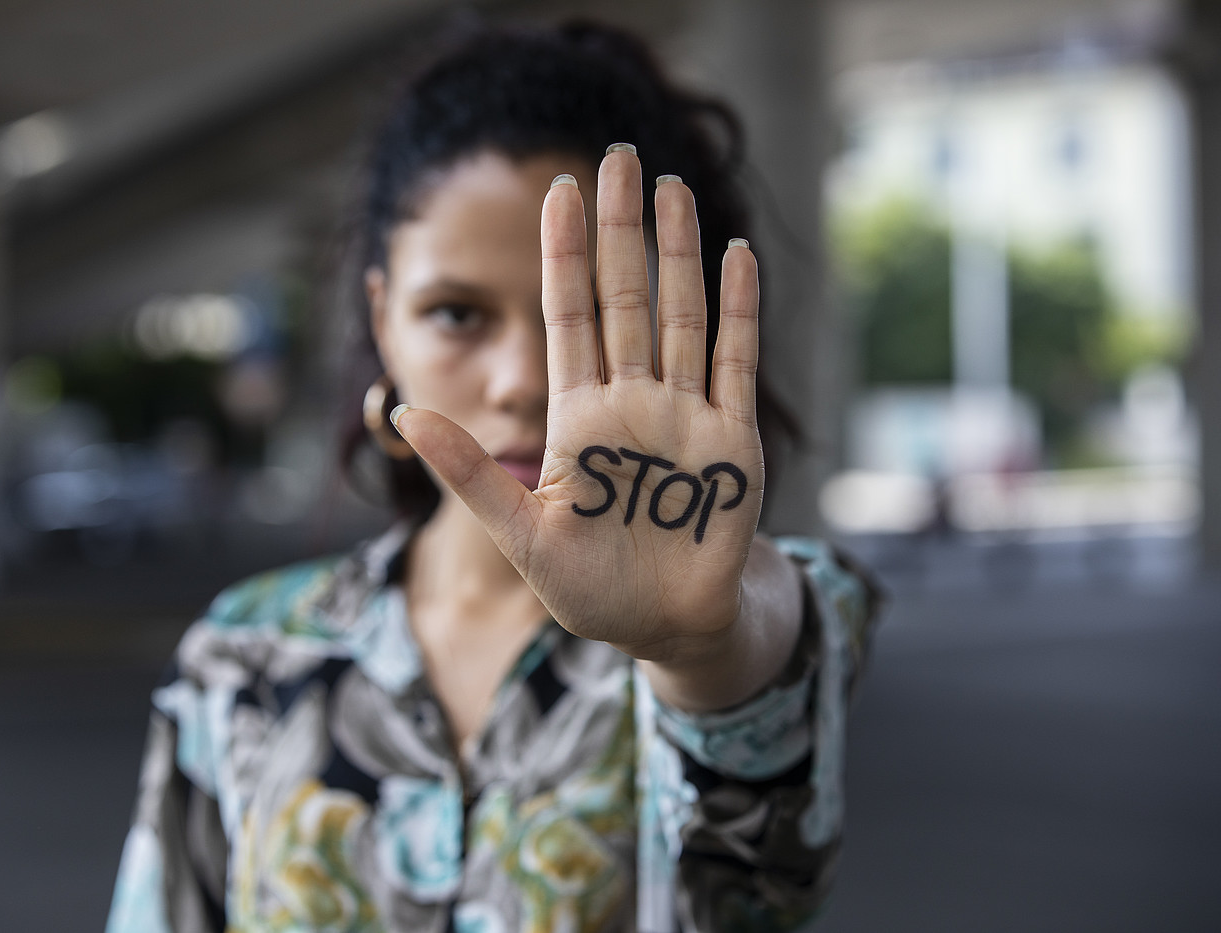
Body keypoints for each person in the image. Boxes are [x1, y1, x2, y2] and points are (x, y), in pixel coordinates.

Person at [107, 20, 878, 933]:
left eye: (577, 311)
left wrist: (700, 648)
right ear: (383, 318)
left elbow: (759, 887)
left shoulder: (744, 619)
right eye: (458, 313)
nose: (524, 379)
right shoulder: (245, 654)